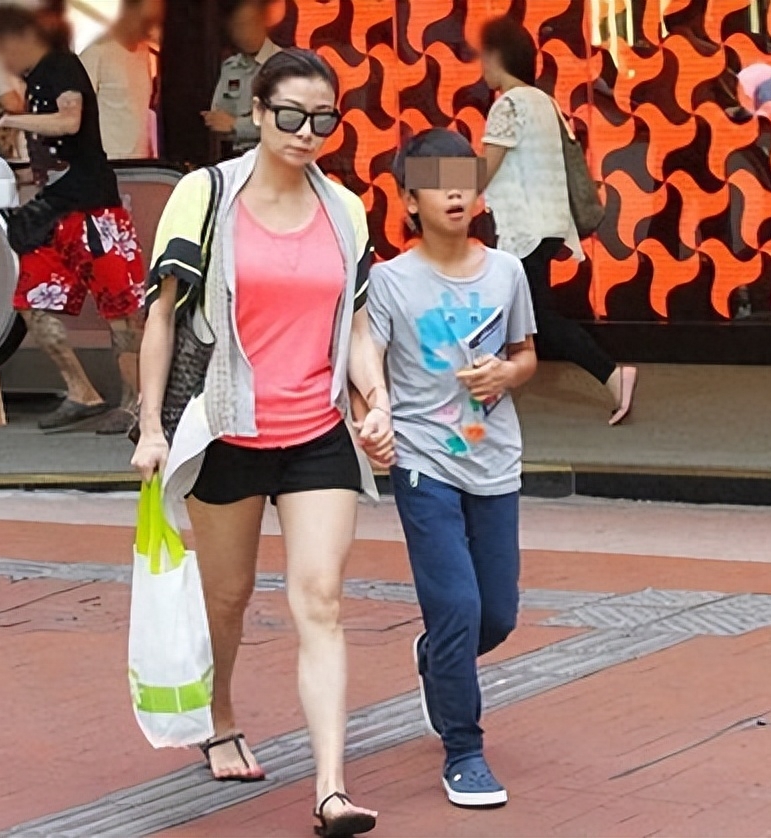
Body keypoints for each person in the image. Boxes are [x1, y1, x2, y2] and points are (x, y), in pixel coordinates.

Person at [131, 48, 391, 837]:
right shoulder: (206, 195)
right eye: (290, 115)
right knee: (229, 596)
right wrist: (151, 427)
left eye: (322, 119)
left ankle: (331, 789)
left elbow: (357, 323)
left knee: (321, 601)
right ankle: (219, 717)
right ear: (256, 113)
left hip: (317, 432)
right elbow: (162, 315)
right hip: (228, 428)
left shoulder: (345, 210)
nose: (306, 132)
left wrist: (376, 400)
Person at [366, 128, 537, 809]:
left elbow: (526, 354)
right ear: (410, 200)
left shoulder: (507, 271)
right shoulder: (389, 281)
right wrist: (374, 417)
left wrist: (507, 374)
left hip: (494, 458)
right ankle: (464, 752)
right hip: (422, 460)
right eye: (438, 184)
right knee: (458, 607)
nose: (456, 194)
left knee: (496, 615)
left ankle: (436, 655)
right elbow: (367, 366)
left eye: (465, 181)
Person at [0, 6, 144, 435]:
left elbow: (70, 121)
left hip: (93, 207)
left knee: (121, 310)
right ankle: (81, 391)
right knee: (30, 299)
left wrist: (9, 119)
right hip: (54, 208)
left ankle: (136, 403)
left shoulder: (60, 65)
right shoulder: (36, 78)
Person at [479, 16, 637, 425]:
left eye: (483, 55)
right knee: (515, 314)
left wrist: (421, 174)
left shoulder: (508, 105)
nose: (480, 65)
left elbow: (481, 173)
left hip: (523, 230)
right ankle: (485, 394)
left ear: (497, 55)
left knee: (535, 319)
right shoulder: (544, 102)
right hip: (549, 226)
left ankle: (613, 375)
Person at [79, 0, 162, 160]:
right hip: (108, 160)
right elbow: (79, 111)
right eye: (147, 20)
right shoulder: (97, 52)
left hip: (141, 160)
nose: (150, 28)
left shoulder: (144, 53)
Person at [204, 0, 280, 157]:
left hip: (272, 156)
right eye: (238, 26)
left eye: (250, 23)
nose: (245, 32)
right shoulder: (230, 67)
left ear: (264, 21)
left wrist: (236, 125)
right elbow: (217, 118)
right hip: (234, 156)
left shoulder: (283, 65)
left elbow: (283, 121)